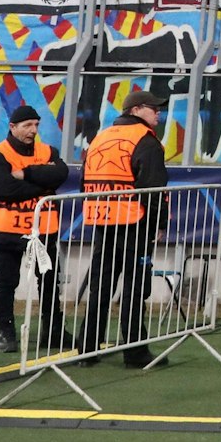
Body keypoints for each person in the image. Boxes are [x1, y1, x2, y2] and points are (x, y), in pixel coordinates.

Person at [77, 90, 169, 368]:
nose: (158, 113)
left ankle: (87, 350)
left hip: (102, 221)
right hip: (134, 223)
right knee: (135, 288)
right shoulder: (146, 141)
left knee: (100, 287)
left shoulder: (100, 137)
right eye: (154, 108)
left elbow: (84, 181)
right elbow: (152, 188)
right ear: (137, 109)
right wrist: (158, 224)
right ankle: (135, 352)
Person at [0, 104, 70, 353]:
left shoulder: (48, 151)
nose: (33, 130)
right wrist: (42, 185)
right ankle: (5, 333)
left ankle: (53, 332)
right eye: (28, 125)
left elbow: (60, 174)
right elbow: (2, 190)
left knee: (49, 282)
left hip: (43, 230)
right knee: (7, 282)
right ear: (13, 127)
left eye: (37, 125)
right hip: (7, 230)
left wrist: (25, 174)